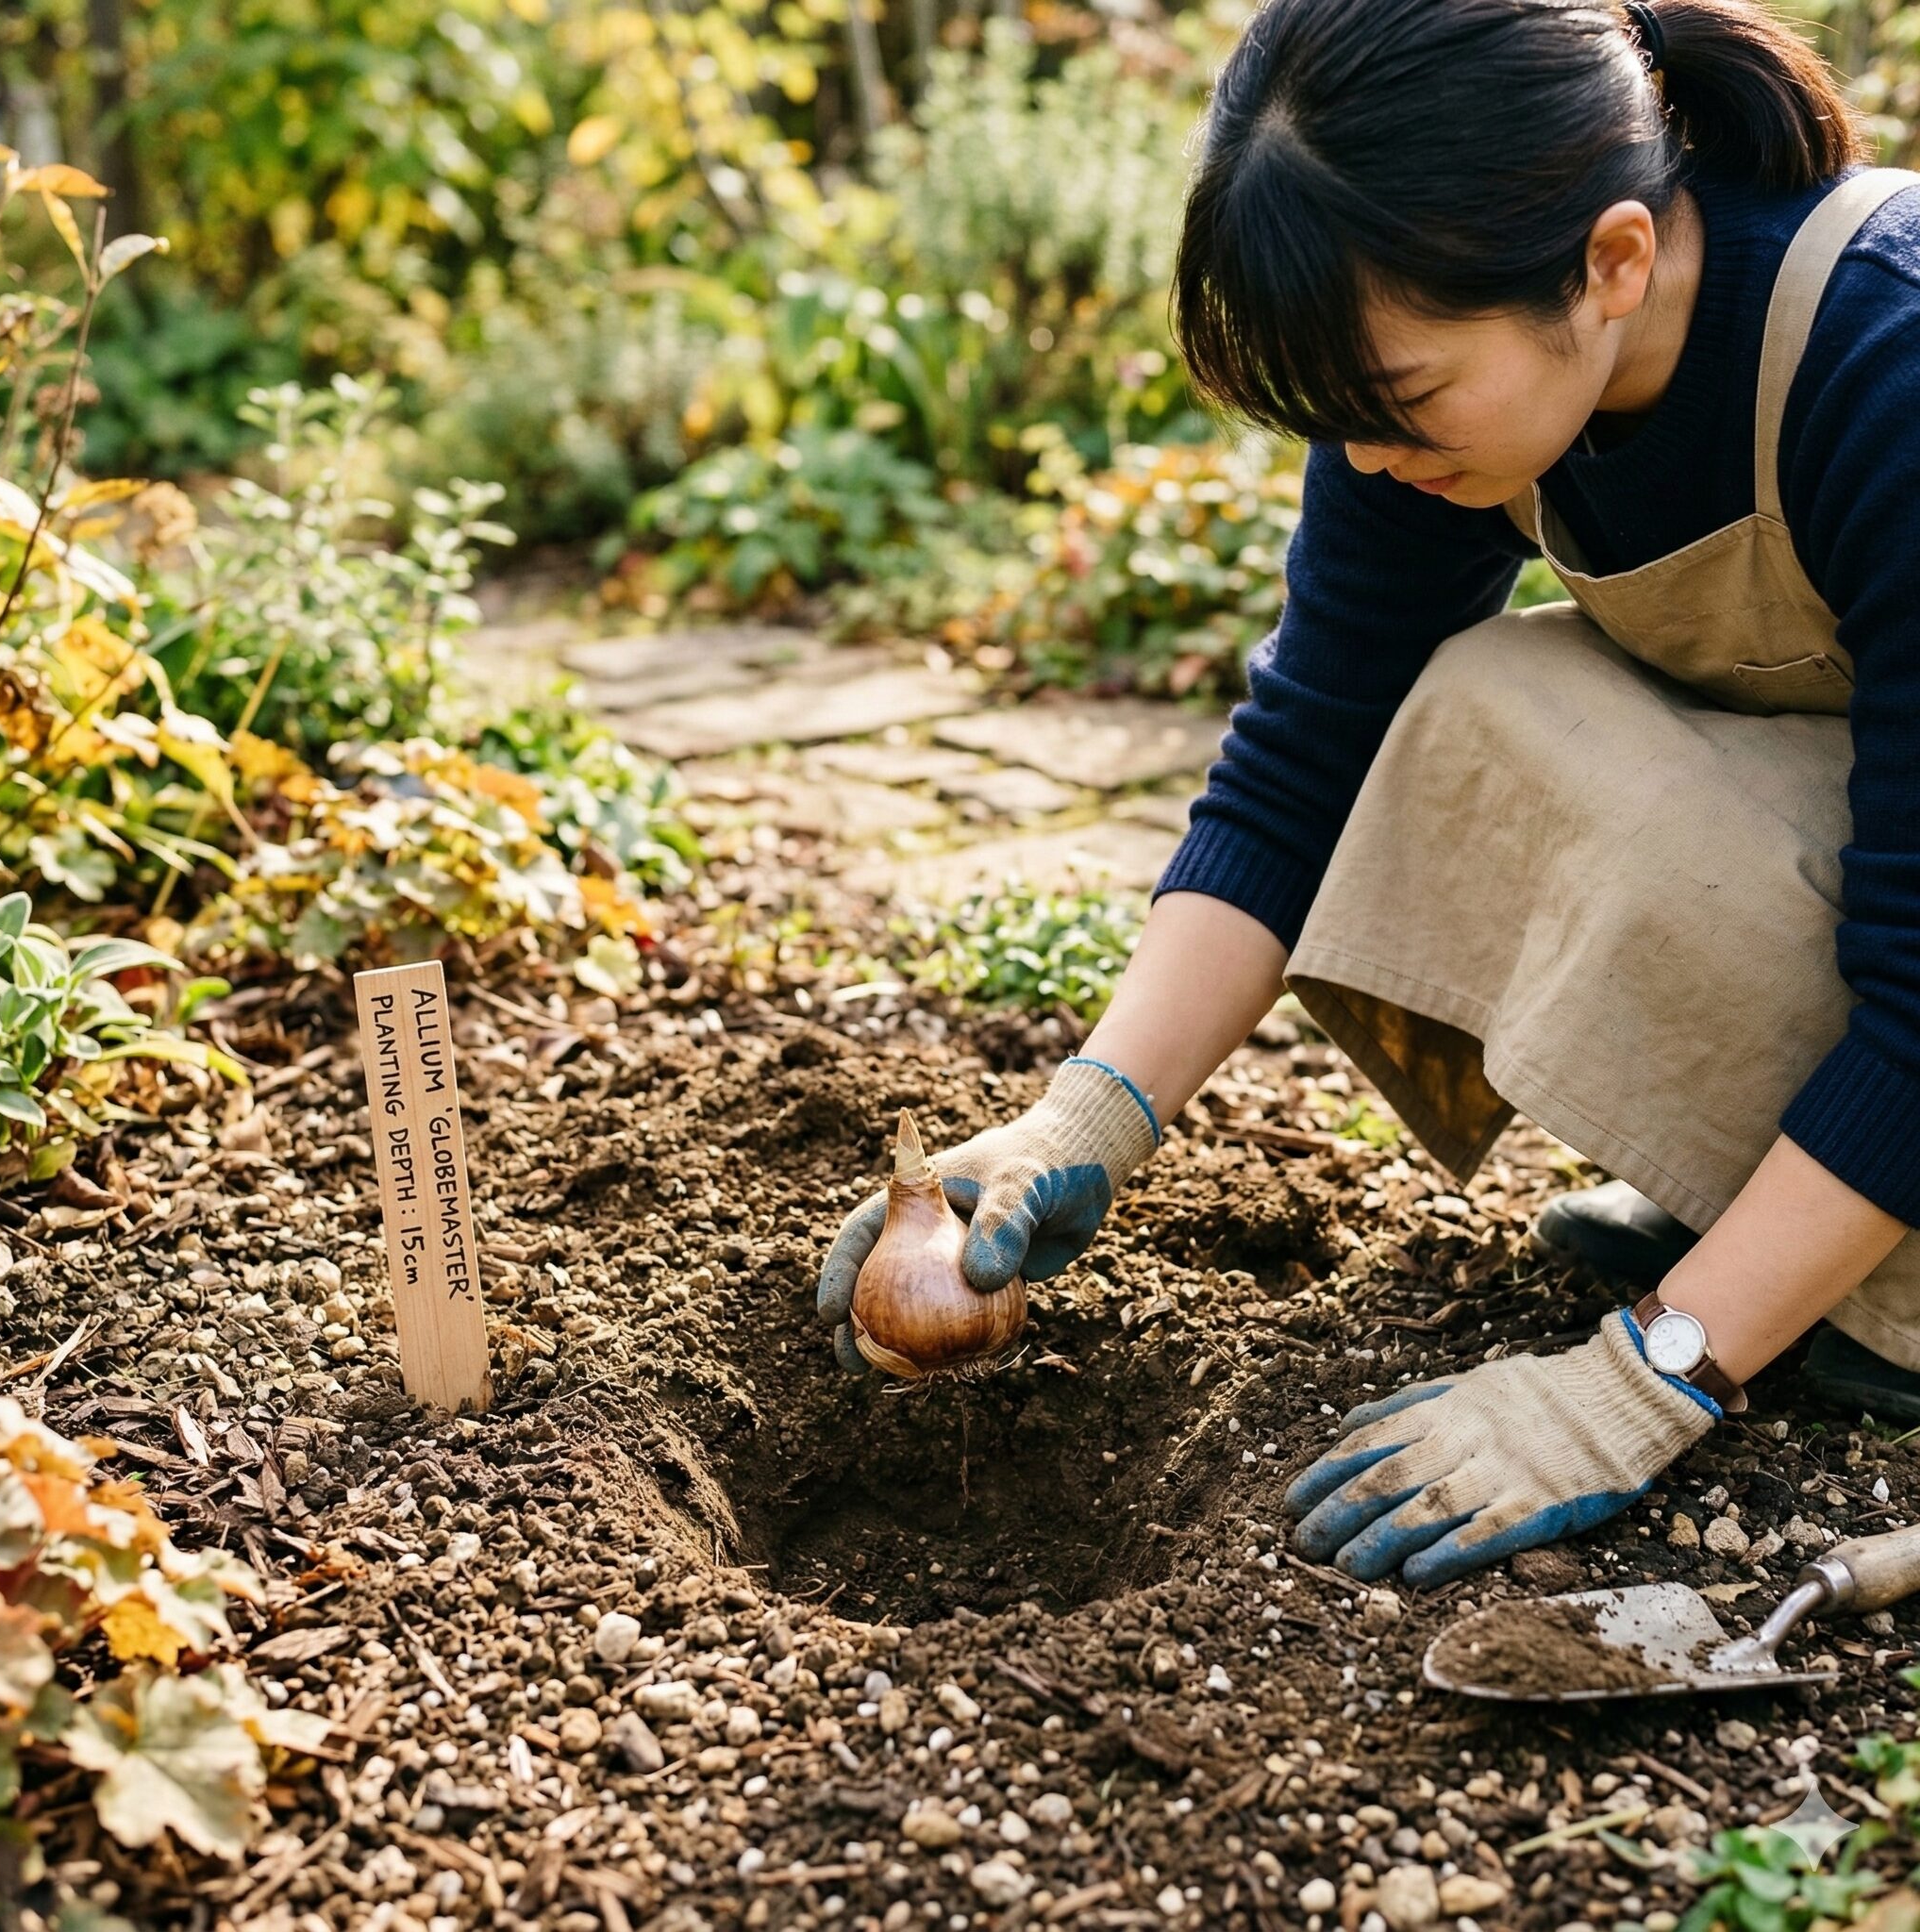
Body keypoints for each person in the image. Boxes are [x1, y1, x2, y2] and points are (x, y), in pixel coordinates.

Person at [818, 0, 1920, 1588]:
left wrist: (1648, 1378)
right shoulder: (1447, 380)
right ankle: (1808, 1249)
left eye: (1397, 397)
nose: (1366, 452)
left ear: (1609, 262)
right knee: (1478, 706)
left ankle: (1875, 1303)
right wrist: (1087, 1117)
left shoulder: (1883, 361)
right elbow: (1302, 758)